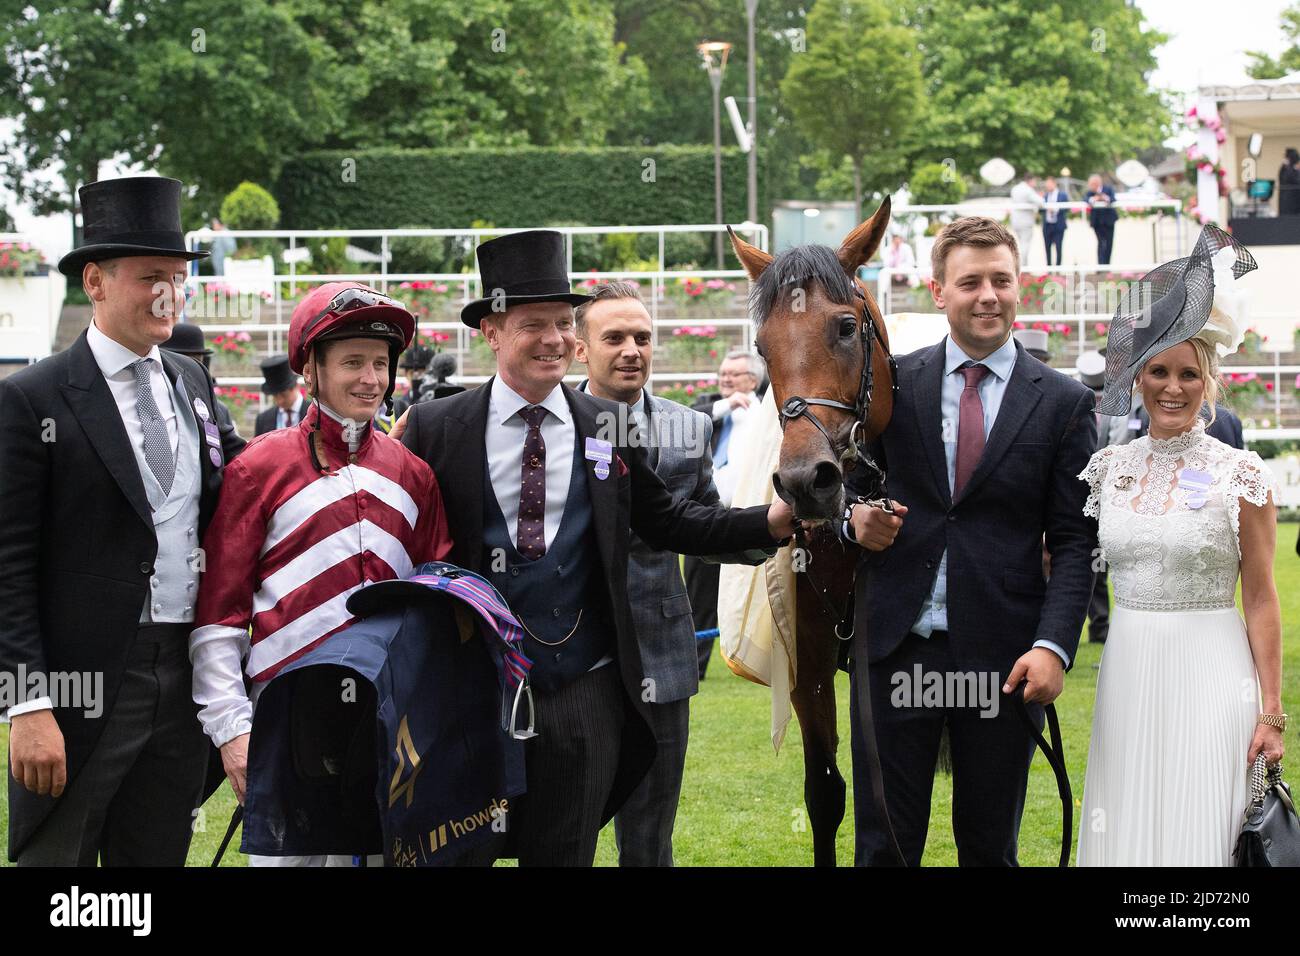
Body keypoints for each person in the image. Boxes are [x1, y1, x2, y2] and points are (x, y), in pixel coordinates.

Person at [397, 230, 795, 866]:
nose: (554, 338)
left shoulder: (603, 429)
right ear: (493, 333)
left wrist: (772, 521)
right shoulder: (437, 426)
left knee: (564, 851)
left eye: (561, 322)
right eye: (534, 324)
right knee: (461, 851)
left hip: (582, 688)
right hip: (473, 689)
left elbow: (674, 523)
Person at [0, 176, 244, 865]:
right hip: (81, 687)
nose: (170, 293)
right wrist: (26, 704)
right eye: (150, 278)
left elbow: (234, 487)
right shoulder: (30, 398)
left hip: (181, 674)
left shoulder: (191, 382)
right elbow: (7, 564)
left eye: (179, 277)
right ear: (95, 282)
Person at [845, 216, 1097, 866]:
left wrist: (1054, 648)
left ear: (1020, 287)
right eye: (971, 282)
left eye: (1001, 281)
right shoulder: (891, 384)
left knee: (990, 848)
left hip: (1004, 656)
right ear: (939, 291)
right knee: (884, 848)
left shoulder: (1064, 402)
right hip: (896, 649)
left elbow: (1074, 542)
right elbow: (841, 487)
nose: (988, 295)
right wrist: (854, 520)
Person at [189, 281, 454, 866]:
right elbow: (220, 611)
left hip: (386, 718)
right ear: (310, 368)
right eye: (352, 362)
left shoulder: (415, 476)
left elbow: (435, 601)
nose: (370, 379)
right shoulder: (258, 466)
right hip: (284, 715)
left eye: (380, 364)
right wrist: (233, 730)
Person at [1078, 224, 1284, 865]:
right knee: (1131, 809)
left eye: (1188, 374)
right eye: (1159, 371)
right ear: (1137, 379)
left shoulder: (1240, 474)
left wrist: (1271, 711)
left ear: (1209, 382)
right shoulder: (1108, 469)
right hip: (1131, 667)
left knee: (1206, 816)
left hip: (1213, 668)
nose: (1173, 387)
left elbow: (1261, 596)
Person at [574, 280, 767, 866]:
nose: (632, 349)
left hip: (659, 649)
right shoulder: (550, 425)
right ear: (581, 349)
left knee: (650, 834)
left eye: (643, 337)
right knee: (566, 827)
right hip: (571, 651)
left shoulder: (689, 428)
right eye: (614, 338)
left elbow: (703, 526)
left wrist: (779, 537)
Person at [685, 348, 766, 679]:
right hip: (705, 514)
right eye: (723, 374)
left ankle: (759, 663)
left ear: (753, 379)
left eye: (733, 375)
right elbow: (687, 420)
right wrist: (726, 404)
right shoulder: (710, 405)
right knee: (697, 595)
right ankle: (694, 666)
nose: (726, 379)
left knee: (756, 596)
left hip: (750, 516)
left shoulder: (768, 413)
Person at [162, 321, 240, 438]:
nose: (190, 371)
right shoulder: (156, 402)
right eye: (183, 363)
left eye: (197, 362)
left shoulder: (218, 409)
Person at [253, 354, 305, 435]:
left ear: (296, 386)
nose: (279, 401)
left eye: (284, 395)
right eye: (275, 396)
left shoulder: (315, 415)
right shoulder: (263, 420)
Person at [391, 343, 434, 418]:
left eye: (422, 373)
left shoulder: (438, 400)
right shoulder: (398, 405)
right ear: (406, 374)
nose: (417, 378)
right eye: (412, 373)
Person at [1009, 174, 1043, 267]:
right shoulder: (1028, 190)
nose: (1035, 184)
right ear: (1030, 180)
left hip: (1015, 220)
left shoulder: (1015, 188)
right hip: (1026, 222)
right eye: (1034, 181)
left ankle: (1022, 266)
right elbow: (1040, 201)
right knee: (1025, 245)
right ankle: (1023, 267)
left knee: (1020, 244)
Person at [1085, 175, 1118, 266]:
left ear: (1097, 183)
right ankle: (1101, 266)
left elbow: (1113, 199)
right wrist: (1094, 199)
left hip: (1109, 221)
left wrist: (1104, 198)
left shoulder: (1108, 189)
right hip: (1097, 222)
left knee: (1109, 243)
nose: (1090, 186)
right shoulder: (1090, 193)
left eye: (1092, 184)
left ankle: (1107, 266)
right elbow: (1086, 199)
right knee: (1101, 243)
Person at [1041, 176, 1069, 267]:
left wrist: (1055, 209)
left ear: (1054, 184)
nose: (1047, 187)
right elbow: (1040, 210)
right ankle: (1049, 268)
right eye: (1046, 185)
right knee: (1047, 248)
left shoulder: (1063, 195)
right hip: (1047, 225)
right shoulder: (1045, 196)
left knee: (1058, 247)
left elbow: (1066, 208)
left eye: (1049, 184)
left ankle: (1058, 268)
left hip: (1058, 225)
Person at [1278, 147, 1300, 216]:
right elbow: (1287, 178)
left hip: (1295, 204)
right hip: (1287, 206)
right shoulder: (1285, 169)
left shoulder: (1295, 170)